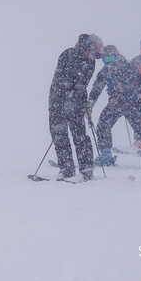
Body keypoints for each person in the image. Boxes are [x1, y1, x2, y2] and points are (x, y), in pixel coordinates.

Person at [87, 45, 141, 168]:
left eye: (110, 58)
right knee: (104, 124)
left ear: (117, 55)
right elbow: (97, 88)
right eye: (105, 59)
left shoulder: (128, 67)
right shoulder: (109, 70)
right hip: (120, 104)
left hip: (129, 104)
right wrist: (91, 102)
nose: (108, 62)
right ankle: (106, 154)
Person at [48, 33, 104, 181]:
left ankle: (86, 170)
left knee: (80, 136)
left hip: (76, 103)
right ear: (88, 47)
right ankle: (66, 169)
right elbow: (61, 79)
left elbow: (81, 85)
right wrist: (63, 100)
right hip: (57, 101)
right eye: (94, 53)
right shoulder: (68, 54)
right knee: (59, 136)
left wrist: (76, 103)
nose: (94, 57)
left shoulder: (90, 63)